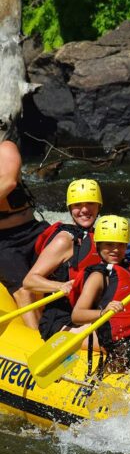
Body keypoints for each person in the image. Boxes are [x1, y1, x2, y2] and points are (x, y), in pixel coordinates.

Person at [71, 215, 130, 364]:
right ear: (98, 245)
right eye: (109, 245)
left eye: (121, 245)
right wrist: (103, 312)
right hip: (119, 348)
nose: (116, 250)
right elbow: (77, 315)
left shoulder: (125, 267)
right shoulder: (98, 276)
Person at [23, 179, 104, 338]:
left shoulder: (102, 238)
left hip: (91, 312)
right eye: (77, 205)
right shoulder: (64, 240)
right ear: (70, 209)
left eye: (90, 204)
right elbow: (29, 281)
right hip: (62, 320)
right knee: (114, 334)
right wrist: (60, 286)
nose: (84, 210)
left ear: (99, 206)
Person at [0, 139, 49, 324]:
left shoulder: (5, 148)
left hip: (31, 230)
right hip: (3, 243)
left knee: (66, 266)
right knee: (23, 290)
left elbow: (9, 182)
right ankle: (37, 342)